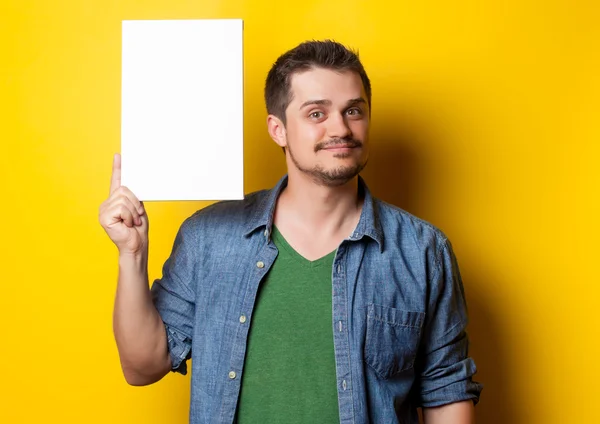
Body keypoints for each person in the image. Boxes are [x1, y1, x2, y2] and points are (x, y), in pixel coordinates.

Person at [99, 40, 482, 424]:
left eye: (354, 110)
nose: (341, 128)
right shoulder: (207, 239)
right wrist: (131, 255)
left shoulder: (422, 251)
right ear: (278, 129)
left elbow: (445, 391)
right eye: (317, 113)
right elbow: (142, 367)